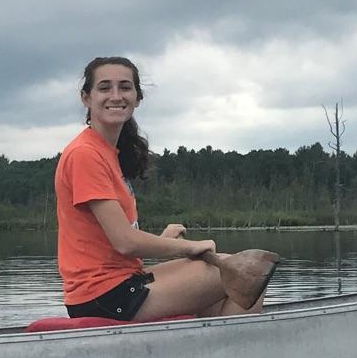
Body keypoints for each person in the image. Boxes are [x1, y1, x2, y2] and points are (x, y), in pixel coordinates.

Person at [54, 56, 278, 320]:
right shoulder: (85, 154)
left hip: (120, 283)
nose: (116, 95)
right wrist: (187, 247)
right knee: (247, 276)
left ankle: (212, 341)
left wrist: (162, 239)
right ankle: (229, 345)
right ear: (86, 98)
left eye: (125, 87)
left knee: (232, 285)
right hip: (102, 296)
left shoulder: (107, 153)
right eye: (104, 88)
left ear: (137, 98)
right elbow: (125, 242)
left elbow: (114, 243)